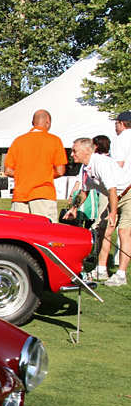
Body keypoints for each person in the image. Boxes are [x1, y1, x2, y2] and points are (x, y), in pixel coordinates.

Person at [65, 138, 120, 282]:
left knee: (118, 231)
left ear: (87, 150)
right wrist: (74, 209)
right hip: (113, 195)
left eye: (75, 151)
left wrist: (113, 212)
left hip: (125, 194)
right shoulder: (85, 167)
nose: (72, 154)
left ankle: (120, 274)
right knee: (101, 231)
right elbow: (84, 191)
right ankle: (101, 271)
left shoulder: (100, 163)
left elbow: (113, 189)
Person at [3, 109, 67, 223]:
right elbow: (60, 171)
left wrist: (24, 175)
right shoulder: (54, 141)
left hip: (20, 196)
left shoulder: (18, 141)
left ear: (33, 123)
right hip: (43, 194)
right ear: (48, 122)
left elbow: (8, 171)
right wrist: (44, 175)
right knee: (45, 233)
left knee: (19, 234)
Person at [97, 110, 131, 286]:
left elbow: (118, 165)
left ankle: (102, 268)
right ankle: (121, 273)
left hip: (119, 189)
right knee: (125, 233)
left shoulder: (120, 140)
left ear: (121, 123)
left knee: (107, 229)